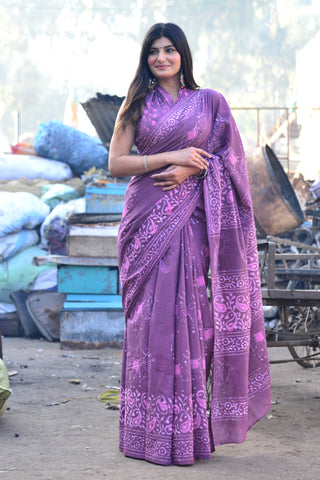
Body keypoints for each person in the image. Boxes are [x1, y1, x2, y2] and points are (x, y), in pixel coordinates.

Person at [109, 22, 271, 466]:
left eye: (169, 50)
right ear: (146, 58)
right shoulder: (136, 103)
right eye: (153, 52)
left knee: (188, 317)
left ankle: (187, 433)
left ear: (183, 54)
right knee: (148, 324)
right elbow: (116, 162)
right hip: (144, 222)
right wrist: (172, 157)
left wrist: (194, 170)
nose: (161, 58)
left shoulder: (210, 102)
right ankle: (146, 433)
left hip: (192, 221)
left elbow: (231, 163)